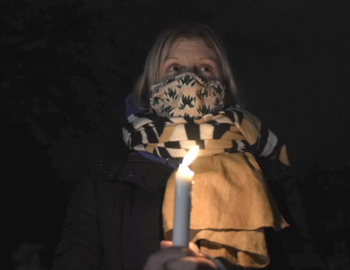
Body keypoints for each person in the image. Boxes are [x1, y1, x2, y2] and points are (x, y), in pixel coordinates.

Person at [51, 23, 326, 270]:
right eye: (174, 68)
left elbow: (303, 259)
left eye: (205, 68)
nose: (189, 80)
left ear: (225, 86)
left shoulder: (272, 176)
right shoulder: (103, 183)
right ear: (150, 85)